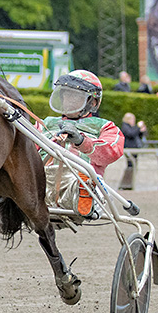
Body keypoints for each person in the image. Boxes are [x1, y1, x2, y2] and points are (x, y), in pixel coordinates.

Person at [40, 69, 124, 215]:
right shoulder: (45, 123)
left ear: (93, 102)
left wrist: (81, 141)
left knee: (79, 182)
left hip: (81, 182)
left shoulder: (104, 126)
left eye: (75, 96)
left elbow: (112, 151)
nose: (68, 100)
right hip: (41, 180)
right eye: (66, 95)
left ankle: (82, 199)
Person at [119, 112, 146, 190]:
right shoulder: (125, 126)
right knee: (130, 166)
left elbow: (137, 135)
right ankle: (125, 184)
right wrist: (138, 127)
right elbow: (131, 134)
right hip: (129, 149)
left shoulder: (131, 127)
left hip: (134, 149)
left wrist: (141, 131)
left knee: (133, 166)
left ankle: (128, 184)